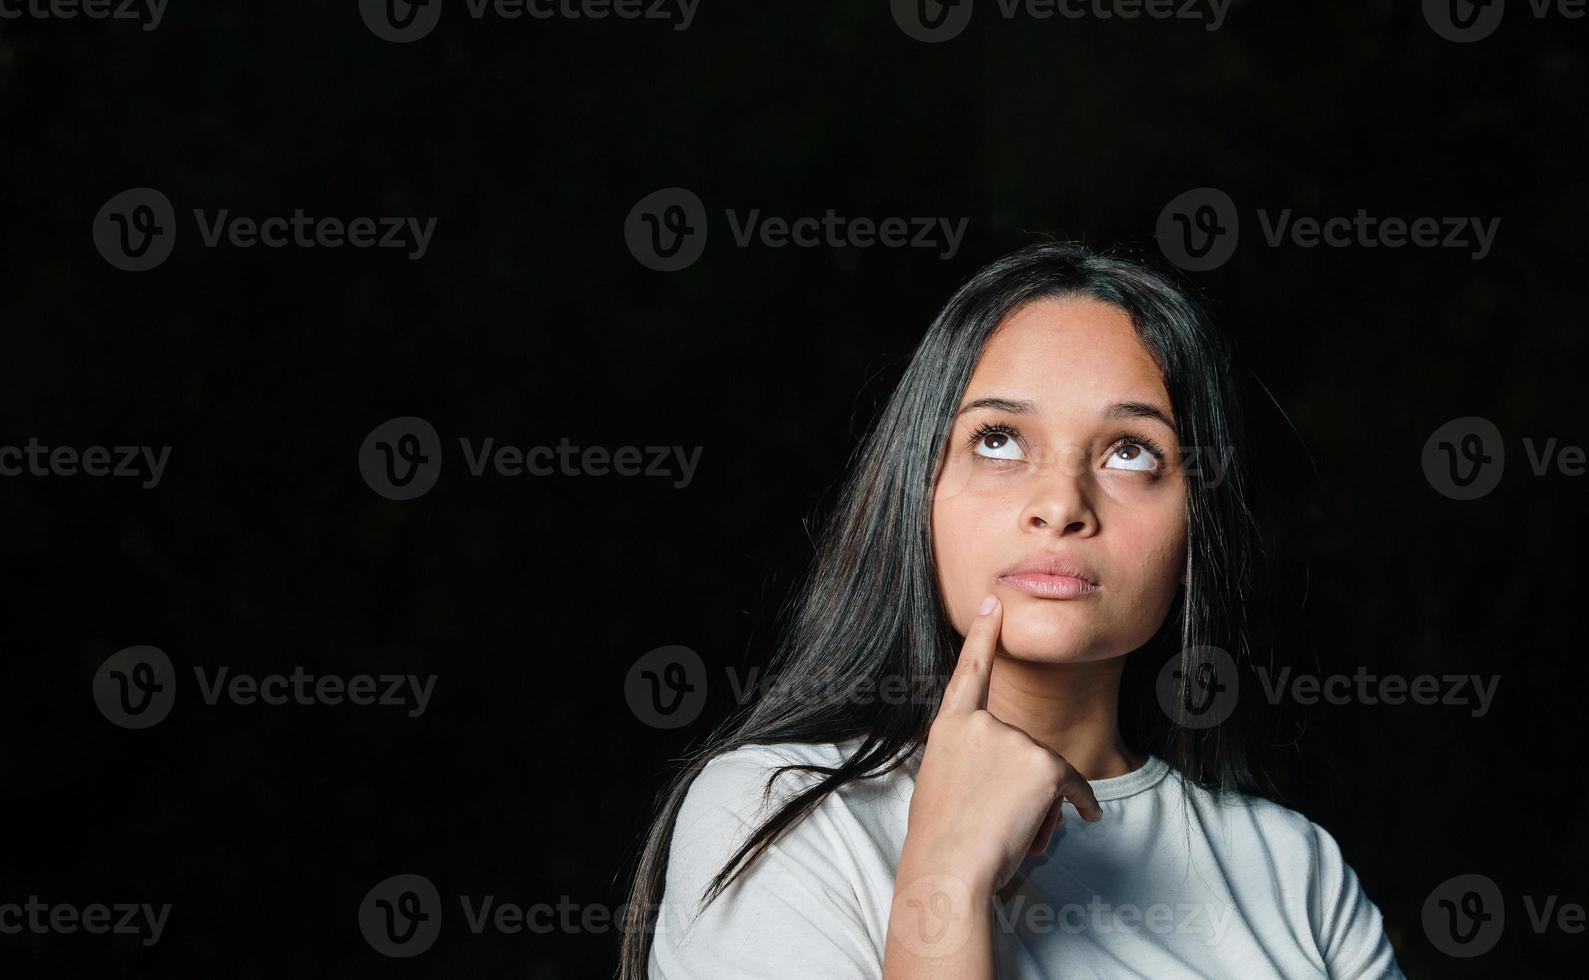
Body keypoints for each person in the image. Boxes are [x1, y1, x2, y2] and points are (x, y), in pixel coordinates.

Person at [619, 241, 1403, 978]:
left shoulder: (1295, 872)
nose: (1060, 504)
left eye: (1131, 451)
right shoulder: (776, 815)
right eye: (997, 440)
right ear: (916, 490)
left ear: (1198, 520)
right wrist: (943, 883)